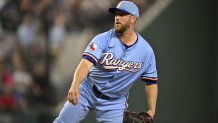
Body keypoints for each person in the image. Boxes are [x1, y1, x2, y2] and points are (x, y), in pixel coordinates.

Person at [53, 1, 158, 123]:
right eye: (116, 14)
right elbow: (86, 63)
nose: (117, 17)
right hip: (88, 91)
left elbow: (151, 81)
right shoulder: (102, 39)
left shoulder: (145, 51)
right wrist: (75, 83)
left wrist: (151, 110)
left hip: (115, 102)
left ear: (133, 19)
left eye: (122, 15)